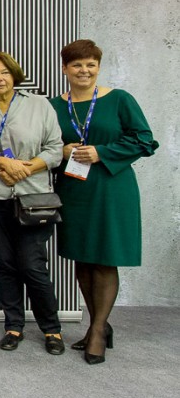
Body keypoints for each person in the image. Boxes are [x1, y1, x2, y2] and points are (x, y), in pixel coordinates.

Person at [49, 39, 157, 364]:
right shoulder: (53, 105)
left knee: (105, 259)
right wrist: (62, 150)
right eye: (77, 65)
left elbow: (144, 140)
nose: (84, 70)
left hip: (112, 187)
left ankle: (96, 330)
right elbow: (43, 144)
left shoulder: (119, 99)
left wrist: (102, 152)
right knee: (82, 258)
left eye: (91, 64)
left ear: (98, 67)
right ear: (65, 68)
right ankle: (99, 323)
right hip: (74, 188)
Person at [0, 52, 65, 355]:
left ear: (14, 75)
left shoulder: (40, 105)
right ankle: (13, 326)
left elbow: (55, 150)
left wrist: (24, 169)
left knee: (32, 265)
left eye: (4, 72)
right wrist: (1, 163)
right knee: (5, 263)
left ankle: (52, 329)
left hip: (33, 198)